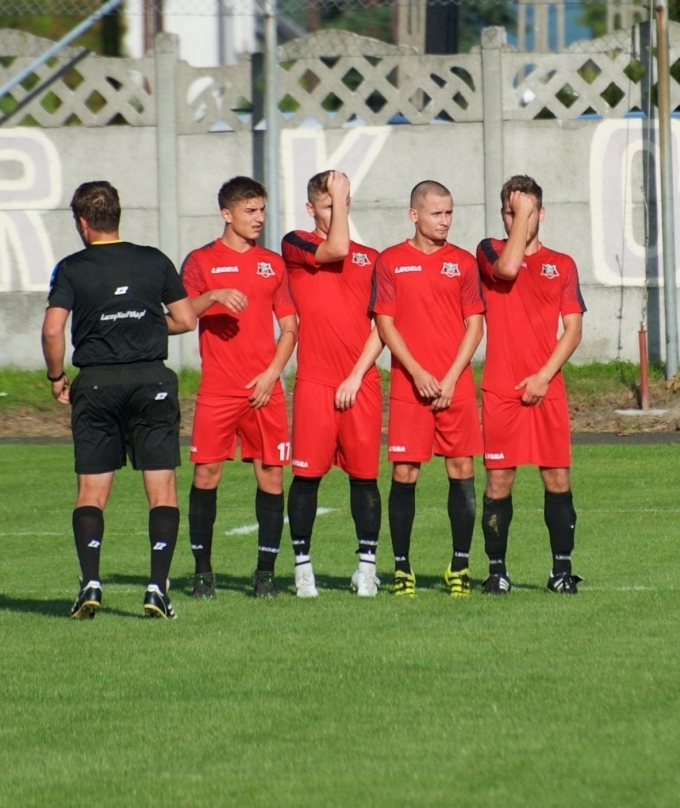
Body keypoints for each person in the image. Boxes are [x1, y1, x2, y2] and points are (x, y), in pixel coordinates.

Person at [41, 180, 198, 620]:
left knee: (92, 488)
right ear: (117, 216)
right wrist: (143, 324)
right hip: (152, 380)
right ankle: (156, 588)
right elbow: (185, 319)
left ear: (83, 223)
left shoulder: (70, 267)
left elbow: (53, 329)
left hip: (96, 384)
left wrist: (56, 377)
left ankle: (90, 580)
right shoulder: (154, 260)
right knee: (161, 486)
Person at [181, 176, 299, 599]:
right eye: (250, 211)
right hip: (218, 389)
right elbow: (178, 318)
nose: (259, 219)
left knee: (271, 476)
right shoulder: (199, 261)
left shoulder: (273, 263)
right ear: (226, 214)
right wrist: (211, 295)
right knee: (207, 474)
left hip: (265, 389)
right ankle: (202, 575)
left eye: (262, 211)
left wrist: (272, 374)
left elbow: (289, 327)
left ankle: (265, 575)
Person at [371, 180, 485, 597]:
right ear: (414, 214)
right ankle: (402, 569)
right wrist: (417, 373)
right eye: (437, 213)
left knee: (462, 469)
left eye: (449, 213)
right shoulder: (390, 261)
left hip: (455, 387)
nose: (445, 221)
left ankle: (460, 566)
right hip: (409, 387)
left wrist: (452, 377)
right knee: (405, 472)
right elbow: (385, 322)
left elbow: (475, 324)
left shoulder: (464, 262)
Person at [476, 175, 586, 594]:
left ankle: (561, 571)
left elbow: (572, 330)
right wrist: (519, 216)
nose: (516, 218)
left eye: (526, 210)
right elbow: (507, 268)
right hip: (502, 391)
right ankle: (497, 571)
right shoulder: (488, 252)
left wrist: (543, 376)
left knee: (557, 480)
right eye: (510, 211)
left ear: (543, 213)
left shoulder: (563, 264)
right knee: (499, 482)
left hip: (547, 390)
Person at [281, 170, 386, 598]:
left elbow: (384, 325)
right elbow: (336, 246)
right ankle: (303, 568)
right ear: (311, 209)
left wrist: (357, 374)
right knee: (306, 477)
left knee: (364, 478)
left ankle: (366, 568)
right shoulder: (296, 244)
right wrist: (338, 195)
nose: (338, 210)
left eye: (342, 203)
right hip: (315, 384)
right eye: (328, 205)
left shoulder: (372, 258)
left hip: (360, 383)